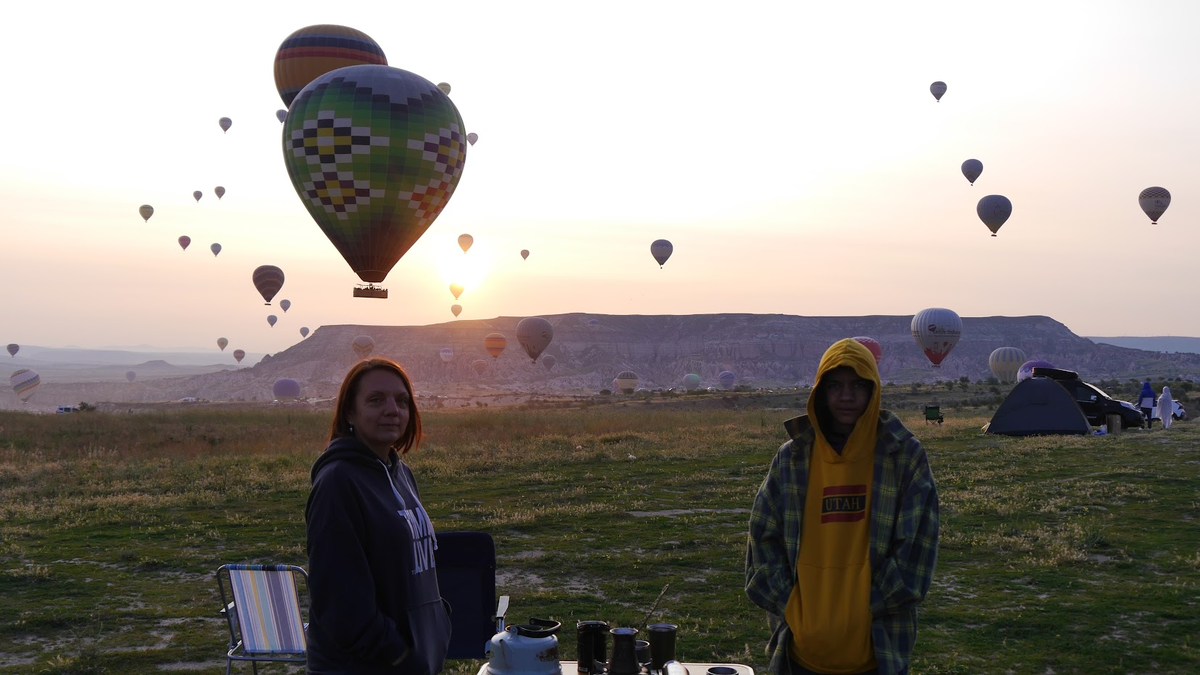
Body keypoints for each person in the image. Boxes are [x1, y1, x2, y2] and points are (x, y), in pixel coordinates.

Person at [745, 339, 939, 675]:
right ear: (819, 391)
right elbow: (762, 540)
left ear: (873, 389)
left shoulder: (903, 456)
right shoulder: (793, 457)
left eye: (858, 386)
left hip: (877, 654)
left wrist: (862, 610)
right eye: (834, 386)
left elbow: (917, 552)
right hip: (797, 655)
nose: (846, 396)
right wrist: (794, 608)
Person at [306, 358, 451, 675]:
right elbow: (338, 598)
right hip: (362, 667)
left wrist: (436, 626)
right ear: (349, 412)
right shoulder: (338, 482)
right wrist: (398, 654)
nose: (392, 410)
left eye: (402, 401)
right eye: (375, 400)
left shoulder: (401, 473)